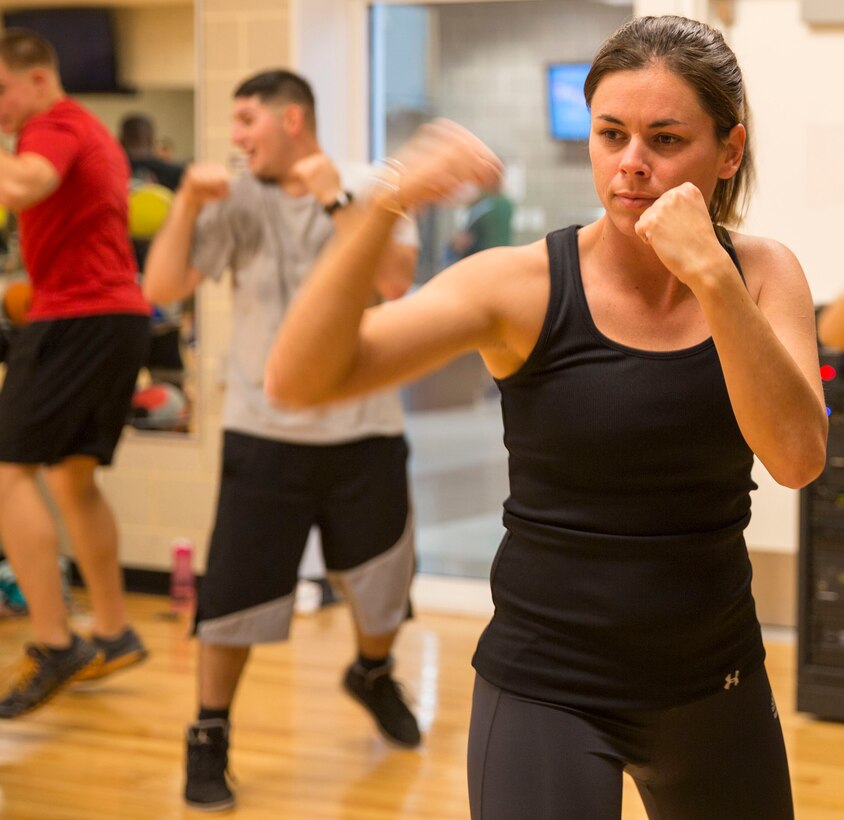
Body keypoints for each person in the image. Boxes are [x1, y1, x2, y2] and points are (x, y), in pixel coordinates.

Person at [265, 16, 827, 820]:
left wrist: (711, 276)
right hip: (546, 686)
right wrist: (391, 197)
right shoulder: (522, 286)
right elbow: (299, 377)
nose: (631, 163)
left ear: (727, 152)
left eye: (665, 139)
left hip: (716, 679)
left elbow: (798, 457)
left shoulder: (763, 273)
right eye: (612, 134)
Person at [143, 68, 421, 812]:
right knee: (233, 596)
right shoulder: (234, 198)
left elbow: (395, 281)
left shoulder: (372, 184)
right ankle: (208, 734)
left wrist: (337, 198)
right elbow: (163, 288)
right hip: (263, 432)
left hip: (365, 430)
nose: (234, 138)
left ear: (291, 119)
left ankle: (371, 673)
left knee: (384, 586)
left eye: (245, 121)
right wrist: (186, 206)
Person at [0, 29, 150, 718]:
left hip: (79, 318)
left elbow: (30, 183)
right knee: (71, 477)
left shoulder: (53, 126)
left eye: (0, 90)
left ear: (37, 78)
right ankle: (114, 631)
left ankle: (57, 643)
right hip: (114, 316)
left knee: (7, 474)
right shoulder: (84, 126)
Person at [119, 112, 189, 391]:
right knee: (167, 371)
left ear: (121, 138)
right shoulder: (173, 172)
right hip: (163, 281)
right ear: (151, 137)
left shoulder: (109, 169)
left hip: (121, 282)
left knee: (118, 373)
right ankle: (169, 420)